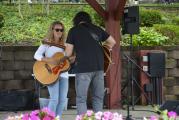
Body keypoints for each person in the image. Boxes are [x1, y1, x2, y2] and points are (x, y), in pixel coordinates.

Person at [63, 11, 116, 115]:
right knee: (98, 97)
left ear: (76, 20)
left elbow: (68, 53)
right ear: (88, 20)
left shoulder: (74, 30)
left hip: (83, 68)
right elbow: (112, 42)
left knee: (82, 98)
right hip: (99, 68)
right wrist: (104, 49)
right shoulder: (97, 29)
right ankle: (99, 117)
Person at [34, 21, 68, 119]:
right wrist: (50, 60)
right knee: (54, 99)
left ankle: (57, 118)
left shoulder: (66, 45)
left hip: (63, 74)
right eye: (57, 29)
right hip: (50, 73)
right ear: (52, 30)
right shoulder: (47, 43)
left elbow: (69, 58)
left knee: (62, 100)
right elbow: (36, 55)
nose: (59, 32)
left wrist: (72, 57)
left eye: (61, 30)